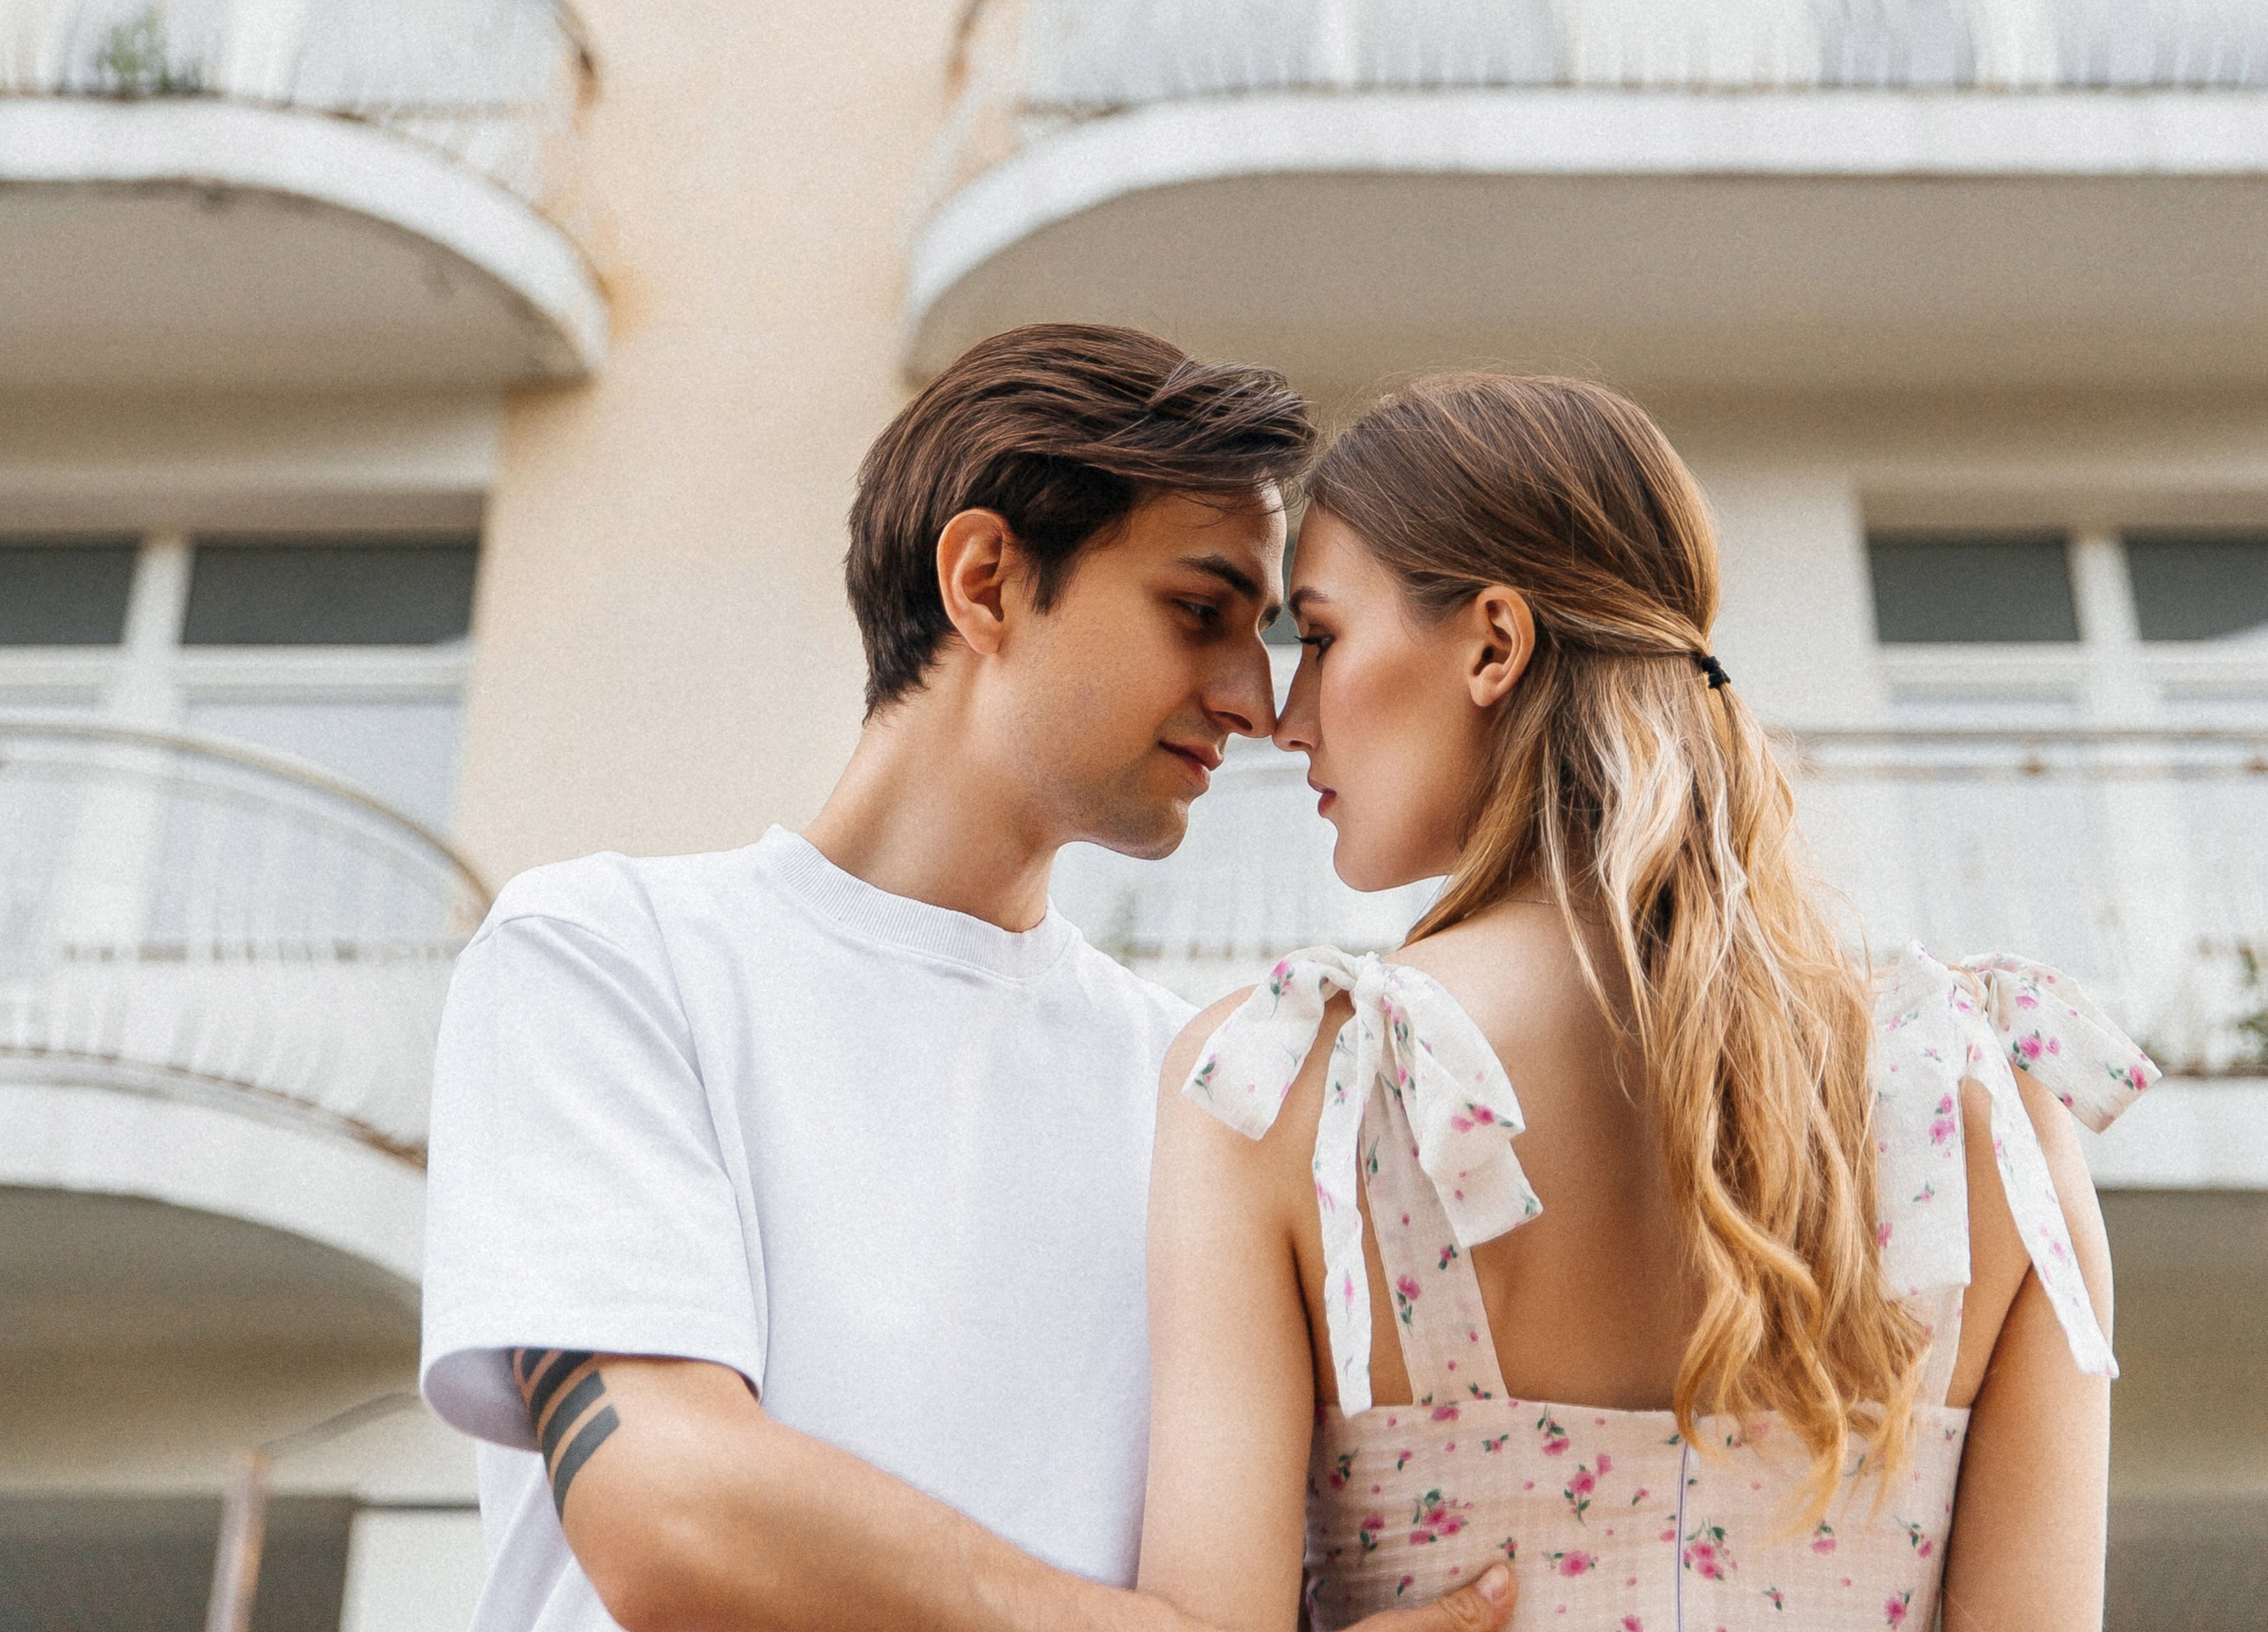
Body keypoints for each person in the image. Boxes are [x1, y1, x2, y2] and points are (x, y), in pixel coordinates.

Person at [419, 322, 1518, 1632]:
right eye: (1201, 611)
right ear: (986, 579)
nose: (1254, 696)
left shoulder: (1213, 1091)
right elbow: (674, 1516)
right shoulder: (606, 957)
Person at [1138, 374, 2155, 1632]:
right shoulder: (1992, 1115)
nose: (1285, 717)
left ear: (1494, 646)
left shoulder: (1287, 1093)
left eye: (1324, 635)